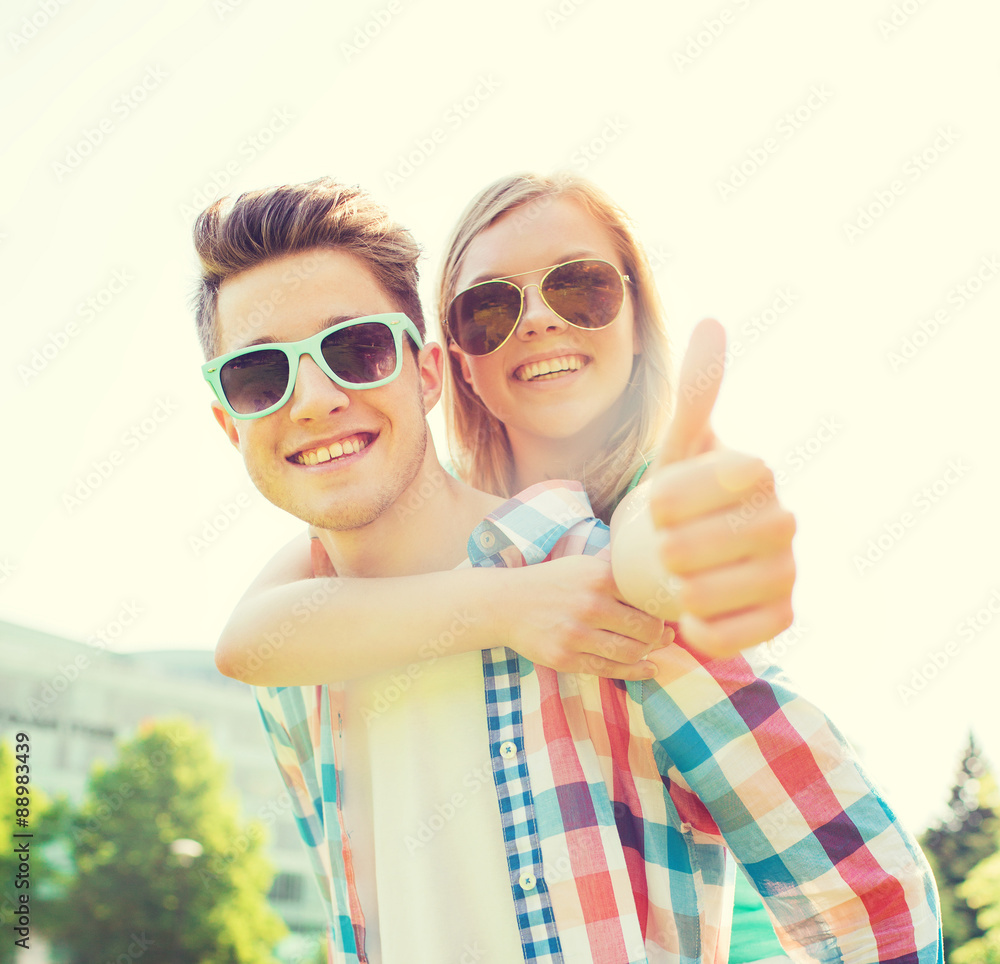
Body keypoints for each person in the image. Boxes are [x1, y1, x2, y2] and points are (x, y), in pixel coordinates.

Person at [193, 176, 941, 963]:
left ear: (427, 373)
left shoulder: (593, 590)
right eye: (259, 376)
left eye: (356, 349)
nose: (311, 398)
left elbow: (874, 902)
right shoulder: (301, 664)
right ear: (228, 424)